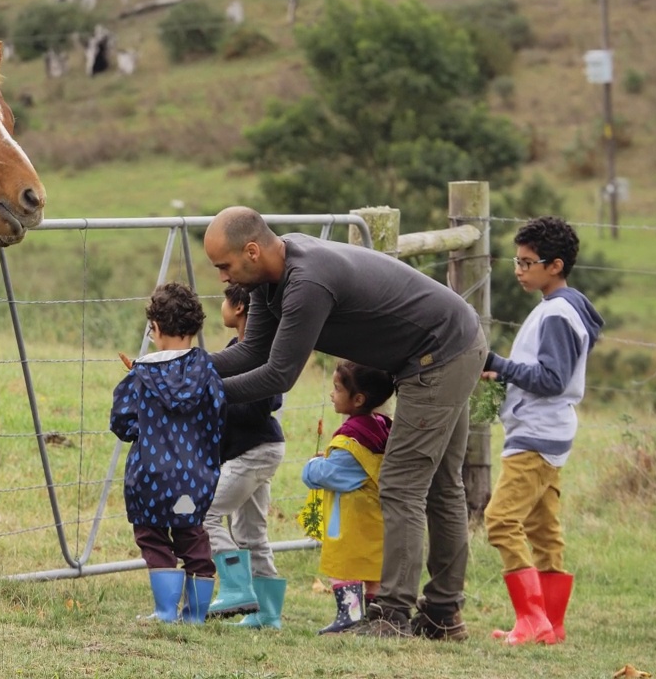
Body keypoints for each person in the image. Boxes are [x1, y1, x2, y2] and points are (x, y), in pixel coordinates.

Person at [202, 206, 487, 640]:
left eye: (224, 266)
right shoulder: (269, 278)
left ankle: (393, 615)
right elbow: (252, 352)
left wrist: (203, 393)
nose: (223, 277)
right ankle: (443, 616)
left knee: (404, 485)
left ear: (253, 251)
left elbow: (279, 374)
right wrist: (183, 368)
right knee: (442, 485)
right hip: (447, 342)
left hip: (440, 353)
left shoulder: (306, 283)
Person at [481, 216, 603, 645]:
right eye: (517, 260)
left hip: (536, 433)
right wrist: (506, 376)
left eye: (528, 262)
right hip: (549, 433)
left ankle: (531, 619)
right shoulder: (562, 308)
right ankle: (551, 625)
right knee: (543, 530)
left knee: (499, 520)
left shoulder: (556, 313)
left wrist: (499, 365)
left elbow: (552, 379)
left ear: (555, 266)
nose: (519, 269)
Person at [110, 282, 225, 624]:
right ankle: (196, 615)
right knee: (193, 535)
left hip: (152, 475)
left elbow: (121, 422)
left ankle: (165, 611)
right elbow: (219, 416)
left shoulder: (142, 375)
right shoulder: (207, 370)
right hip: (195, 475)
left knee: (153, 535)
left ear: (155, 328)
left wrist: (144, 429)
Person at [203, 283, 288, 629]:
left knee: (204, 516)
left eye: (225, 299)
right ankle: (268, 615)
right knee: (252, 534)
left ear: (239, 307)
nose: (222, 306)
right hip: (260, 450)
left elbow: (257, 407)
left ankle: (237, 588)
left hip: (253, 451)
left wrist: (214, 403)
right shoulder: (237, 349)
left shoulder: (261, 353)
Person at [301, 360, 395, 634]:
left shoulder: (352, 438)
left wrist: (312, 466)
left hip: (351, 521)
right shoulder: (381, 428)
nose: (332, 394)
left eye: (337, 388)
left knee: (345, 567)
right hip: (376, 517)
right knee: (373, 572)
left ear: (358, 399)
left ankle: (350, 615)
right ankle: (377, 618)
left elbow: (329, 474)